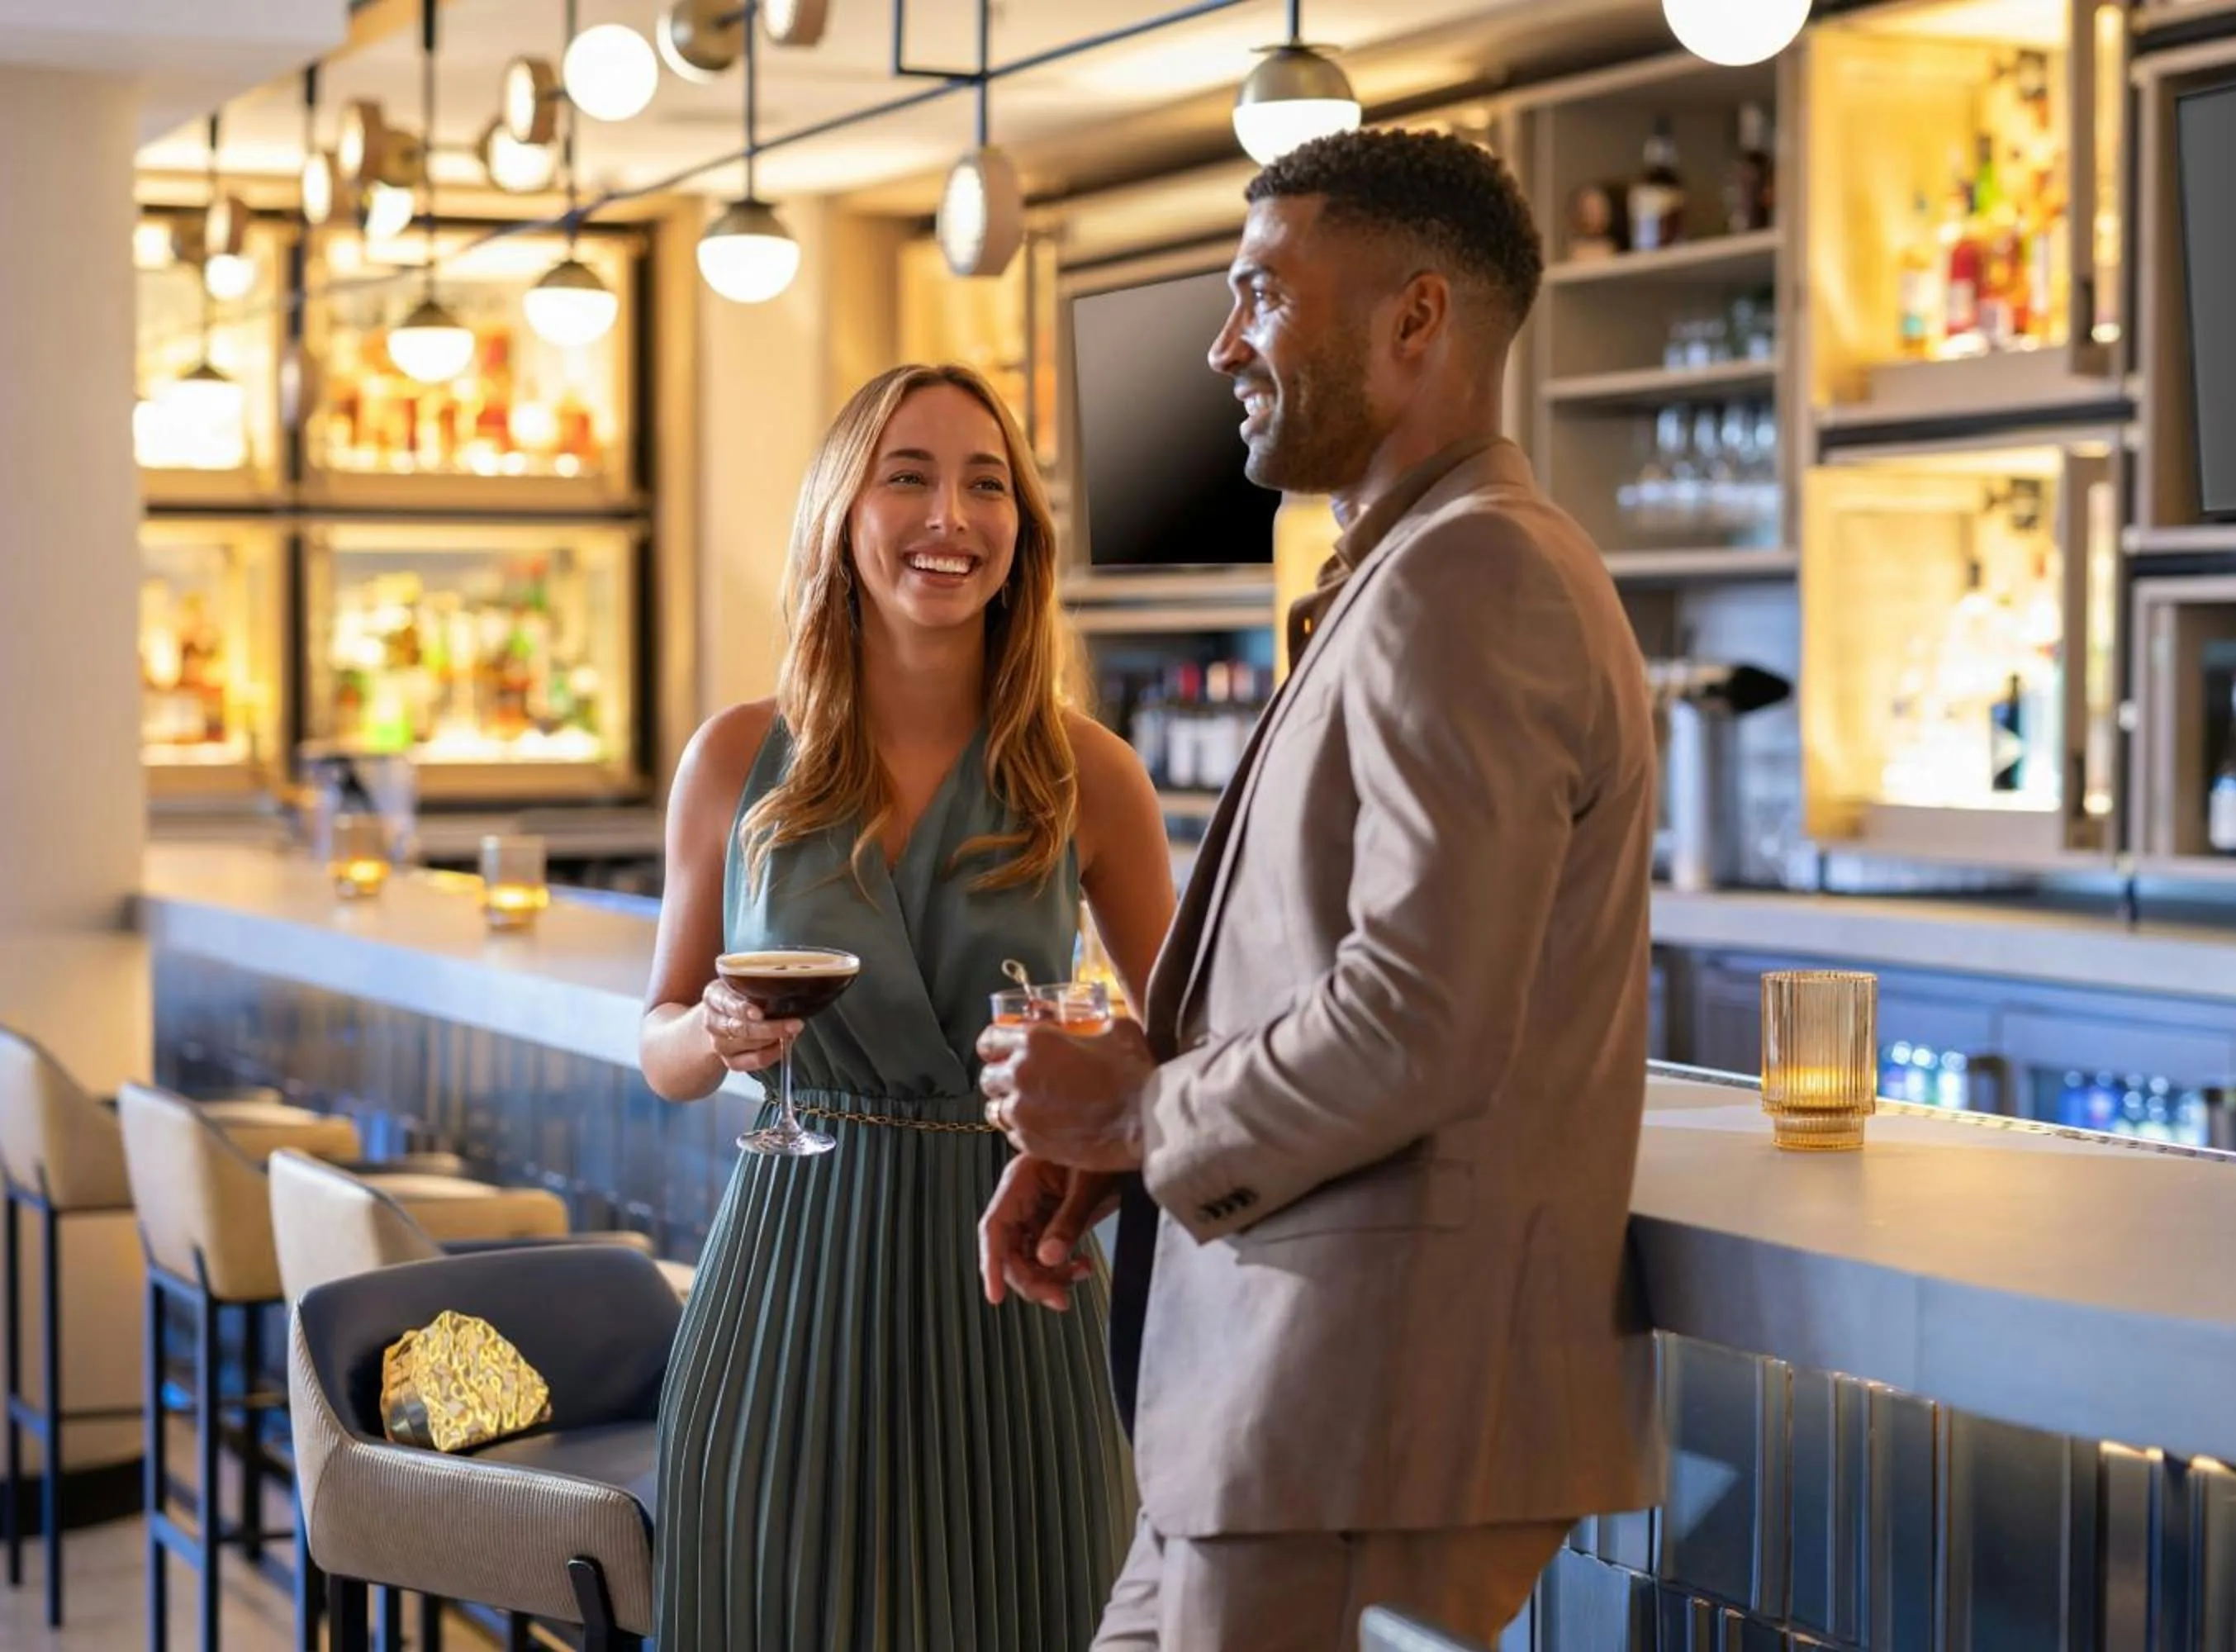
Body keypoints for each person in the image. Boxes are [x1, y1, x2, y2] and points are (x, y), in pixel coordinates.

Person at [976, 130, 1659, 1649]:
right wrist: (1134, 1154)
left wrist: (1142, 1115)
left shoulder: (1477, 578)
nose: (1223, 345)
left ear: (1417, 319)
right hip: (1275, 1417)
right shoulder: (1408, 571)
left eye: (1262, 296)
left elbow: (1420, 1020)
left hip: (1360, 1415)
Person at [641, 363, 1176, 1650]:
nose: (951, 517)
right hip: (787, 1288)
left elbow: (1188, 1043)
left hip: (1019, 1284)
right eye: (910, 478)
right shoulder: (734, 760)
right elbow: (659, 1045)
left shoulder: (1088, 774)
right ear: (842, 513)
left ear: (1022, 537)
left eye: (986, 486)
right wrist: (712, 1032)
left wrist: (1100, 1062)